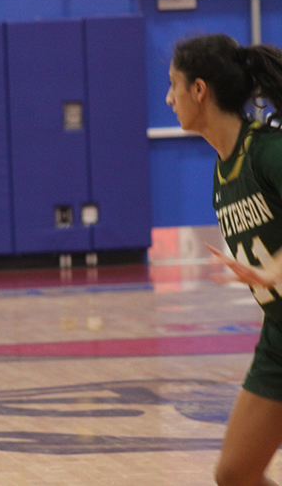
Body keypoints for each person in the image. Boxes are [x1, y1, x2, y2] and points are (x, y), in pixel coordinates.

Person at [167, 33, 282, 486]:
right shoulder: (222, 169)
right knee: (236, 473)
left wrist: (276, 267)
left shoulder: (267, 151)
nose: (168, 97)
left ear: (200, 90)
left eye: (173, 84)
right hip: (278, 337)